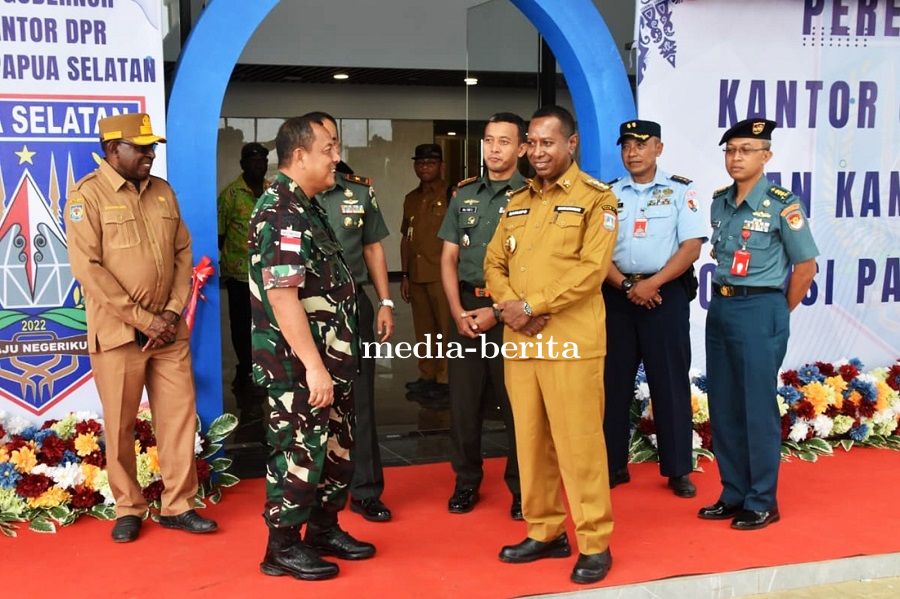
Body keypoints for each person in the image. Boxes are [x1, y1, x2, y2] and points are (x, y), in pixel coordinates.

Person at [65, 112, 218, 543]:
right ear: (113, 149)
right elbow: (89, 270)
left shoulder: (163, 192)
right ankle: (129, 507)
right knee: (120, 424)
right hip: (118, 335)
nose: (151, 154)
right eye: (142, 147)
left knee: (178, 419)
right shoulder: (86, 197)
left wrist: (170, 314)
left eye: (153, 147)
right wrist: (144, 319)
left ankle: (178, 505)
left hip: (168, 334)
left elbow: (184, 253)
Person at [484, 105, 617, 584]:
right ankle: (544, 532)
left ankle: (595, 541)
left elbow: (590, 271)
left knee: (579, 445)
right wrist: (511, 308)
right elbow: (493, 261)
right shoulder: (516, 200)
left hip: (571, 344)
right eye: (533, 144)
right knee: (531, 444)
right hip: (521, 343)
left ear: (571, 144)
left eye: (548, 143)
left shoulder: (596, 200)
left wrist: (532, 305)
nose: (538, 152)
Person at [248, 114, 375, 581]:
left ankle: (323, 529)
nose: (336, 157)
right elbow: (283, 297)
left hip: (331, 360)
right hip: (299, 368)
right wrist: (315, 368)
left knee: (336, 448)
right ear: (299, 155)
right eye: (329, 148)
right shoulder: (280, 210)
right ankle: (281, 546)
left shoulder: (309, 205)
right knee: (299, 452)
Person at [698, 118, 818, 531]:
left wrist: (778, 310)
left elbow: (805, 267)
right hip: (723, 306)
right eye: (731, 150)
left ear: (766, 156)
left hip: (761, 307)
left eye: (747, 150)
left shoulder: (783, 203)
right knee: (725, 404)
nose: (736, 157)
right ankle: (733, 493)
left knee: (756, 407)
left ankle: (762, 499)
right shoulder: (720, 201)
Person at [602, 120, 707, 498]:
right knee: (611, 384)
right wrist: (629, 285)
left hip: (665, 295)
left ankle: (678, 468)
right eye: (626, 145)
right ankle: (613, 465)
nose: (632, 152)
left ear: (658, 149)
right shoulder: (608, 194)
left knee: (670, 384)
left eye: (641, 145)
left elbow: (691, 247)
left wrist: (652, 283)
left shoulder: (681, 190)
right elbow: (597, 252)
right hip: (618, 294)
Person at [438, 113, 526, 520]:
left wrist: (497, 311)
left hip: (515, 317)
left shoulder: (531, 195)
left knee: (518, 407)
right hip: (468, 316)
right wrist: (457, 312)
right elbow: (449, 257)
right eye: (489, 140)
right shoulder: (463, 195)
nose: (494, 149)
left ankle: (523, 489)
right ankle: (465, 482)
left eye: (504, 142)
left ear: (522, 148)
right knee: (463, 406)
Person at [309, 112, 395, 523]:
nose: (333, 149)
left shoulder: (358, 191)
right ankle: (307, 489)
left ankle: (365, 489)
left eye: (335, 141)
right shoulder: (289, 194)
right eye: (325, 141)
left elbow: (373, 248)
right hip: (305, 309)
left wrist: (385, 302)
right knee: (307, 400)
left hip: (352, 305)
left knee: (360, 401)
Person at [217, 142, 270, 420]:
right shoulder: (230, 196)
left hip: (270, 272)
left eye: (262, 160)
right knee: (241, 323)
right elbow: (220, 235)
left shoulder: (274, 191)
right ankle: (246, 367)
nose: (257, 165)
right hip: (239, 273)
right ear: (242, 165)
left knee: (268, 322)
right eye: (252, 161)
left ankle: (266, 366)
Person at [400, 143, 451, 400]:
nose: (424, 167)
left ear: (441, 166)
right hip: (418, 274)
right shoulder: (411, 198)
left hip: (443, 275)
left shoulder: (453, 195)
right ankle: (427, 375)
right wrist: (405, 275)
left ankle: (446, 378)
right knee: (424, 330)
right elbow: (406, 238)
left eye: (430, 163)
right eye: (420, 163)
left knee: (445, 328)